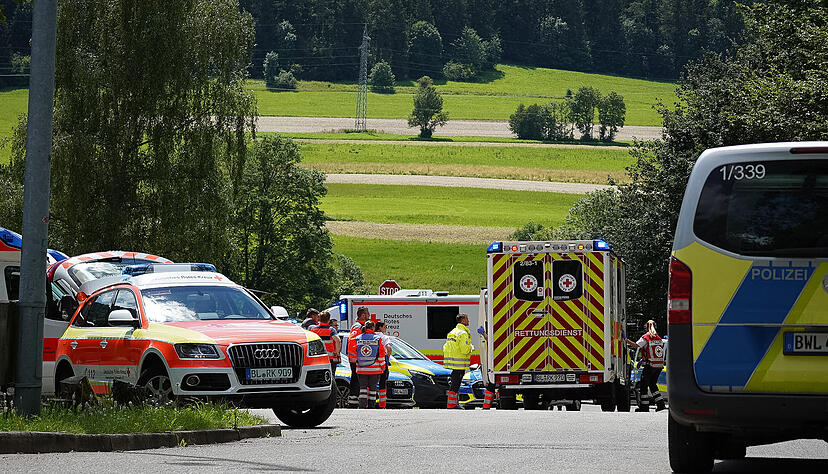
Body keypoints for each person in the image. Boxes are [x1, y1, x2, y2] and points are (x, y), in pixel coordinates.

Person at [626, 319, 667, 412]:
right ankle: (660, 404)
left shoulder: (646, 337)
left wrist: (626, 340)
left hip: (650, 366)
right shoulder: (658, 338)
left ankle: (644, 407)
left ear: (647, 327)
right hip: (658, 366)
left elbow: (636, 345)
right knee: (653, 385)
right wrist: (642, 360)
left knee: (643, 386)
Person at [443, 313, 473, 409]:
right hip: (460, 364)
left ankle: (453, 403)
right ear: (463, 320)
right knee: (456, 384)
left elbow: (446, 347)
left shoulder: (452, 332)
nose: (468, 321)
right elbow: (465, 349)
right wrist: (471, 347)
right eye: (467, 319)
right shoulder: (463, 333)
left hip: (453, 363)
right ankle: (452, 404)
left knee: (454, 383)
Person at [355, 320, 386, 408]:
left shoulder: (358, 338)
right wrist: (383, 366)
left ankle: (362, 406)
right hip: (374, 370)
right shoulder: (377, 339)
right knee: (372, 390)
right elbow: (381, 355)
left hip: (361, 369)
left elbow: (354, 352)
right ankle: (371, 407)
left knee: (362, 389)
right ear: (373, 328)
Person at [346, 307, 370, 407]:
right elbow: (352, 342)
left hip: (359, 358)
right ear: (363, 315)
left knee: (359, 380)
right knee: (356, 380)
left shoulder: (361, 326)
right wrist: (359, 354)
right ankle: (353, 401)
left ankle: (357, 400)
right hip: (356, 359)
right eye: (367, 314)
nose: (369, 315)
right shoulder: (357, 326)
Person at [310, 310, 341, 377]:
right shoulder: (331, 330)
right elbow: (338, 340)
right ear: (329, 320)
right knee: (330, 376)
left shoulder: (313, 329)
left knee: (317, 376)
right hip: (329, 358)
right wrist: (336, 351)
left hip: (317, 358)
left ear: (319, 319)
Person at [476, 325, 497, 410]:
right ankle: (486, 405)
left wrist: (484, 334)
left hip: (497, 362)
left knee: (491, 384)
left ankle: (486, 405)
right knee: (491, 385)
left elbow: (492, 342)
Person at [374, 321, 392, 408]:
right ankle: (382, 404)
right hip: (382, 362)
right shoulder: (384, 337)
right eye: (385, 326)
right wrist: (387, 357)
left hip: (372, 362)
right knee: (382, 383)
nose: (386, 328)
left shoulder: (372, 336)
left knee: (371, 383)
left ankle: (369, 403)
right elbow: (389, 348)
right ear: (380, 327)